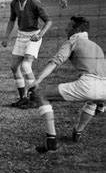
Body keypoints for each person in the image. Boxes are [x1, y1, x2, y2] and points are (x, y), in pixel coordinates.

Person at [29, 16, 106, 153]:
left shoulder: (73, 41)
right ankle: (78, 132)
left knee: (42, 96)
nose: (66, 28)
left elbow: (55, 62)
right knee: (93, 100)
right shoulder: (96, 46)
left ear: (76, 29)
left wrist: (37, 81)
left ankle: (50, 140)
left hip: (88, 85)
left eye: (69, 26)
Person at [1, 0, 52, 108]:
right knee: (14, 67)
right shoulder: (14, 3)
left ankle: (36, 98)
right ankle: (23, 98)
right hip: (21, 36)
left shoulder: (34, 1)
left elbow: (48, 21)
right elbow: (12, 21)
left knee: (26, 66)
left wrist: (39, 35)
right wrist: (6, 37)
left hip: (33, 36)